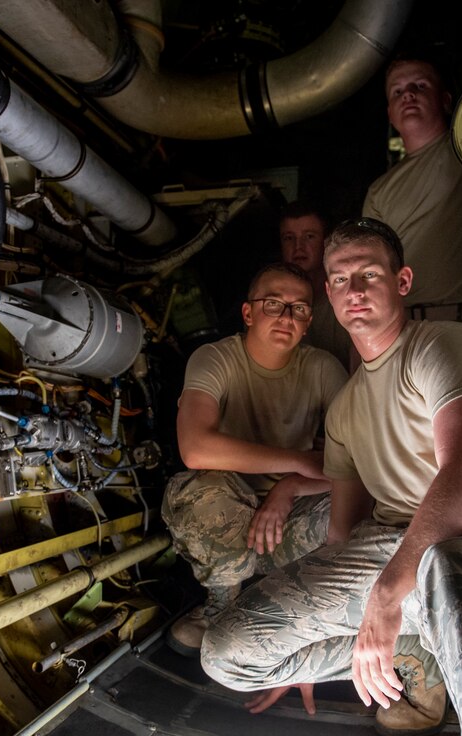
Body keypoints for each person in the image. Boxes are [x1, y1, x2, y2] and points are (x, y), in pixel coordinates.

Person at [202, 219, 462, 735]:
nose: (353, 290)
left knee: (444, 562)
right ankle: (420, 649)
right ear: (328, 292)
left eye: (369, 275)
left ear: (402, 282)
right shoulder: (346, 408)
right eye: (339, 279)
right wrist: (311, 638)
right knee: (226, 655)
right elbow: (343, 539)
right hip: (389, 557)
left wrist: (385, 596)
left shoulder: (441, 345)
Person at [162, 261, 349, 656]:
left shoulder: (321, 368)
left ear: (308, 320)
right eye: (273, 304)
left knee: (359, 510)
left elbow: (359, 463)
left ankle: (293, 611)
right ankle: (222, 602)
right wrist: (297, 460)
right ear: (248, 313)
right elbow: (195, 448)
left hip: (290, 518)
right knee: (200, 495)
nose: (286, 316)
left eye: (298, 309)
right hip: (231, 516)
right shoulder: (215, 359)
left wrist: (291, 486)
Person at [362, 56, 462, 362]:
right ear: (390, 114)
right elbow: (369, 270)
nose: (409, 95)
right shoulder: (380, 190)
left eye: (419, 85)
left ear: (444, 100)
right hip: (403, 332)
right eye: (397, 91)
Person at [279, 201, 357, 370]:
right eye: (289, 238)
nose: (298, 247)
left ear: (325, 241)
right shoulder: (269, 302)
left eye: (309, 236)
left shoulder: (348, 299)